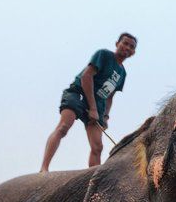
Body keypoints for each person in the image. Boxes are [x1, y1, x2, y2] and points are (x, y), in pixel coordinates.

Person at [40, 33, 137, 172]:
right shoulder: (103, 55)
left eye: (131, 46)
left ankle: (94, 179)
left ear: (133, 52)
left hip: (98, 105)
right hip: (79, 93)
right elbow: (86, 76)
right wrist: (92, 108)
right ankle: (44, 167)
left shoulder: (122, 73)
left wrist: (105, 116)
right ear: (117, 43)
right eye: (125, 43)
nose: (127, 47)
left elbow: (110, 96)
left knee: (98, 147)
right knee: (64, 127)